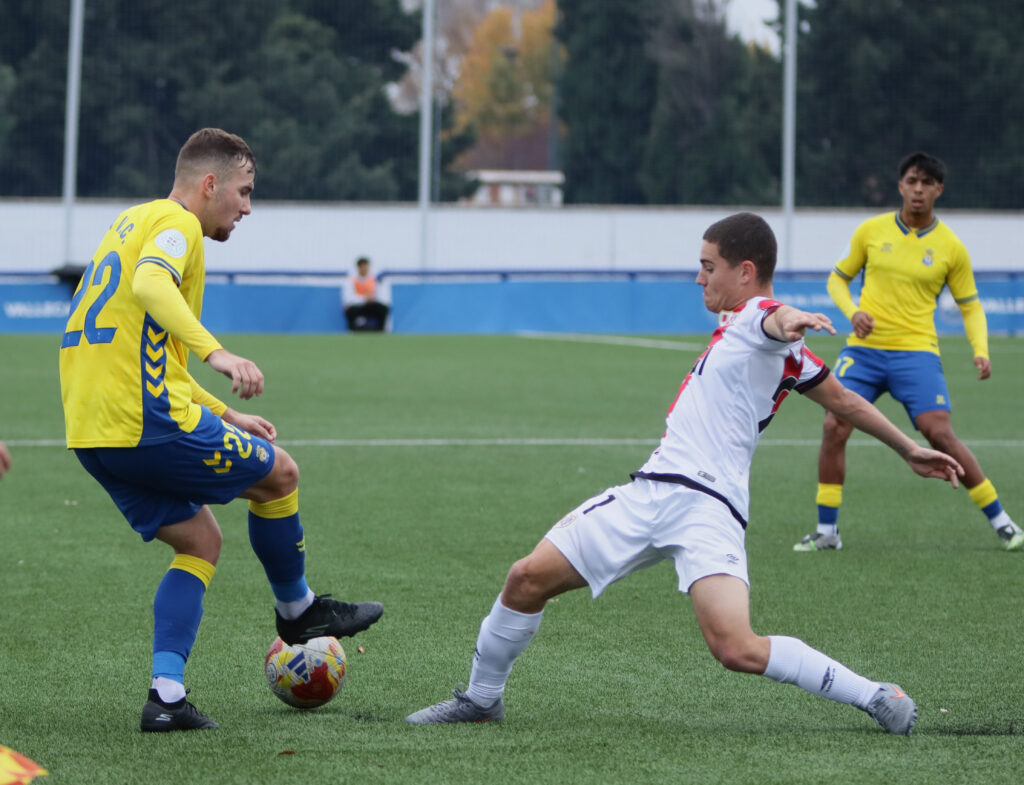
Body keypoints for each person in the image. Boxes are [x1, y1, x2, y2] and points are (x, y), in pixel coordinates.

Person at [405, 212, 963, 734]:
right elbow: (845, 402)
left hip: (708, 509)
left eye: (708, 266)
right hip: (651, 492)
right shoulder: (767, 343)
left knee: (735, 648)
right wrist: (908, 448)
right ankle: (481, 699)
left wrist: (793, 316)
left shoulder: (753, 317)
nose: (699, 278)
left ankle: (874, 695)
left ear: (745, 273)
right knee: (525, 579)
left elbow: (777, 319)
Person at [58, 128, 383, 733]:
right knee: (279, 472)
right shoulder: (180, 227)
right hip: (142, 424)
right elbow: (151, 287)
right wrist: (219, 354)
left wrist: (226, 414)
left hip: (91, 432)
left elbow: (147, 355)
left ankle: (166, 697)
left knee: (201, 543)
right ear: (209, 185)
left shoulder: (131, 222)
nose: (248, 207)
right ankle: (298, 612)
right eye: (244, 191)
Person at [794, 152, 1022, 552]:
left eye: (927, 182)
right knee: (835, 426)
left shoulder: (951, 247)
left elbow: (969, 305)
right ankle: (827, 532)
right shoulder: (871, 231)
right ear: (900, 186)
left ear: (939, 190)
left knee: (940, 434)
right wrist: (853, 312)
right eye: (912, 181)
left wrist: (980, 348)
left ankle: (1002, 522)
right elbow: (837, 279)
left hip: (917, 352)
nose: (919, 189)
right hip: (863, 353)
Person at [342, 256, 390, 332]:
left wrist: (372, 299)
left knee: (383, 308)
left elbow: (379, 296)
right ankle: (352, 329)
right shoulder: (351, 280)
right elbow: (348, 299)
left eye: (366, 266)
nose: (365, 269)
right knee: (349, 310)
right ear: (358, 267)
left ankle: (381, 330)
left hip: (370, 305)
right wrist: (364, 299)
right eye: (363, 267)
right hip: (357, 306)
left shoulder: (373, 280)